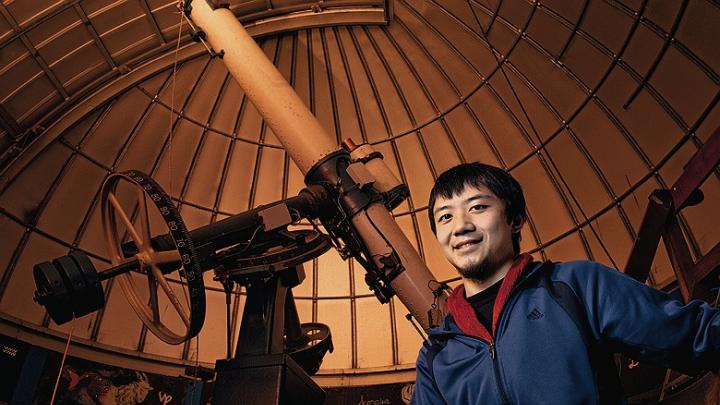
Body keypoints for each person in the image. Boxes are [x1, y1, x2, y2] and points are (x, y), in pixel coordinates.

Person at [411, 162, 719, 404]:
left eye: (478, 207)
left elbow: (695, 334)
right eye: (445, 217)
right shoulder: (436, 355)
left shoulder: (576, 287)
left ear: (515, 219)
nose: (461, 226)